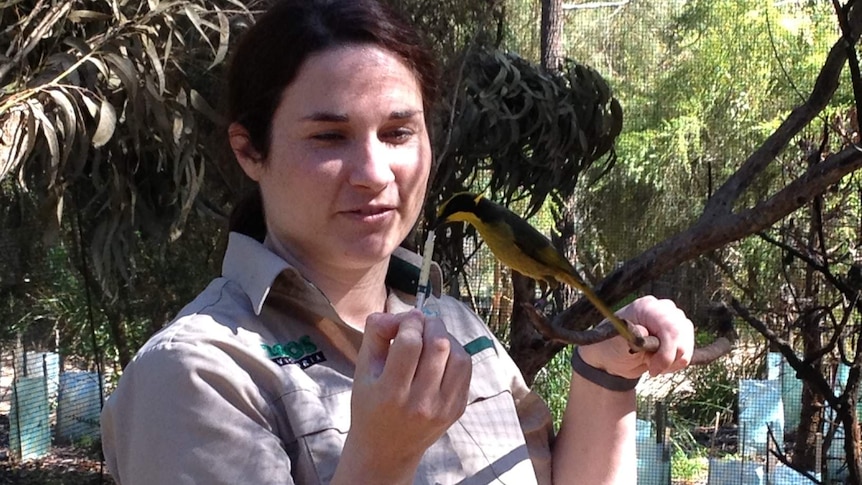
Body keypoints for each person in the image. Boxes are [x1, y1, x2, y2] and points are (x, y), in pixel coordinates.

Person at [99, 0, 695, 484]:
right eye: (330, 137)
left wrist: (607, 369)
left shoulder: (453, 324)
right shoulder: (197, 375)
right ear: (250, 151)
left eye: (397, 132)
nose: (375, 172)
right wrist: (380, 460)